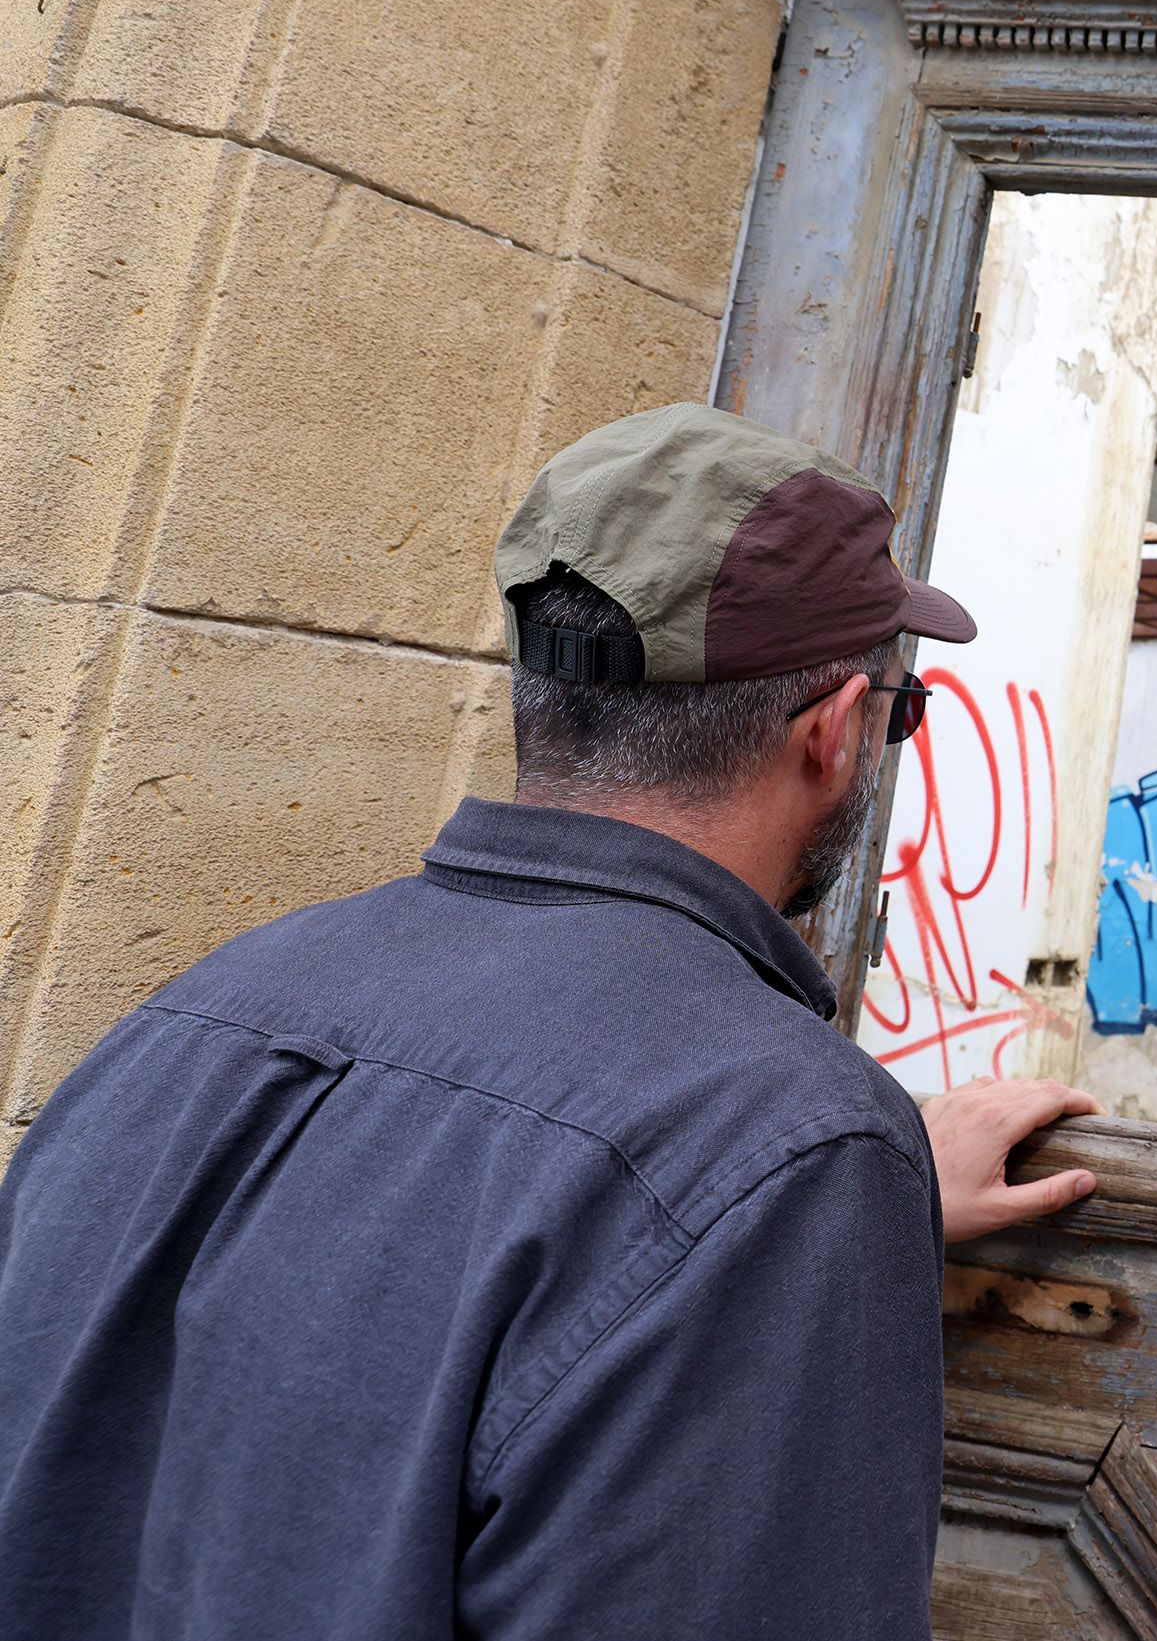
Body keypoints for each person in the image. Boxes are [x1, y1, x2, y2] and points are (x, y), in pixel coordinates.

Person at [0, 404, 1101, 1638]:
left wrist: (812, 1207)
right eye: (903, 709)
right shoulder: (790, 1143)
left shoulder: (209, 1008)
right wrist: (799, 1194)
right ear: (836, 731)